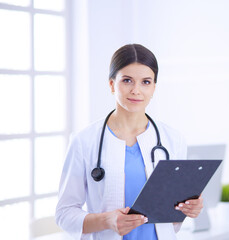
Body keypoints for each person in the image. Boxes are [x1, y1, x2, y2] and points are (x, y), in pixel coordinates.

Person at [56, 44, 203, 240]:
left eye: (146, 82)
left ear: (154, 88)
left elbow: (173, 216)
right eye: (127, 80)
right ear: (111, 84)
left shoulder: (172, 140)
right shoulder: (84, 141)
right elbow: (64, 214)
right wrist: (108, 220)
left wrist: (189, 207)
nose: (136, 90)